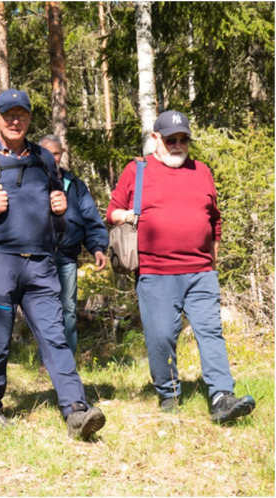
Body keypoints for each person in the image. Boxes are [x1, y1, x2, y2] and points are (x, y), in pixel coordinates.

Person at [0, 88, 105, 439]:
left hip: (42, 263)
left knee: (55, 337)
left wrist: (60, 210)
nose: (15, 120)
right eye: (8, 114)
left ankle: (76, 411)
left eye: (22, 115)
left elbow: (57, 216)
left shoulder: (45, 159)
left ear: (29, 119)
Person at [107, 110, 255, 423]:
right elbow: (112, 211)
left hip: (201, 271)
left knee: (210, 332)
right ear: (155, 139)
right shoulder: (137, 170)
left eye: (183, 139)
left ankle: (222, 396)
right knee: (161, 336)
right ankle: (169, 393)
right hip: (155, 272)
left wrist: (212, 259)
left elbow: (214, 219)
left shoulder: (202, 170)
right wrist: (126, 216)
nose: (178, 145)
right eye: (171, 139)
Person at [39, 134, 108, 354]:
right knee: (43, 307)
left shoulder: (75, 185)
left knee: (68, 308)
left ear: (62, 154)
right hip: (39, 257)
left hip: (67, 256)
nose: (52, 157)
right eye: (46, 153)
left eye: (56, 153)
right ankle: (46, 358)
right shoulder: (31, 183)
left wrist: (97, 247)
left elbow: (90, 217)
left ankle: (67, 359)